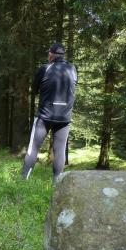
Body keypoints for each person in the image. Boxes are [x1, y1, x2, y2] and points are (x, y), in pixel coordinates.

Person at [21, 43, 77, 180]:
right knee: (60, 151)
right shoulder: (72, 69)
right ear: (63, 55)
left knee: (33, 149)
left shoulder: (45, 68)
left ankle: (23, 181)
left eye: (48, 53)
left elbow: (34, 90)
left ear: (51, 54)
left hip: (44, 117)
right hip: (64, 119)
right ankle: (57, 185)